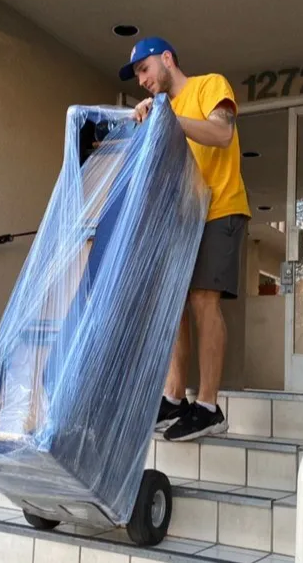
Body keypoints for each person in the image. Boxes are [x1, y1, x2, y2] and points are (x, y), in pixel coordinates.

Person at [118, 37, 251, 442]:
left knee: (202, 300)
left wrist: (165, 118)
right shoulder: (162, 113)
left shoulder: (211, 86)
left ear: (168, 59)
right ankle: (174, 398)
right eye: (137, 74)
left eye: (144, 69)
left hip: (220, 208)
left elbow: (221, 134)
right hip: (181, 221)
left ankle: (208, 407)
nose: (141, 80)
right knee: (173, 303)